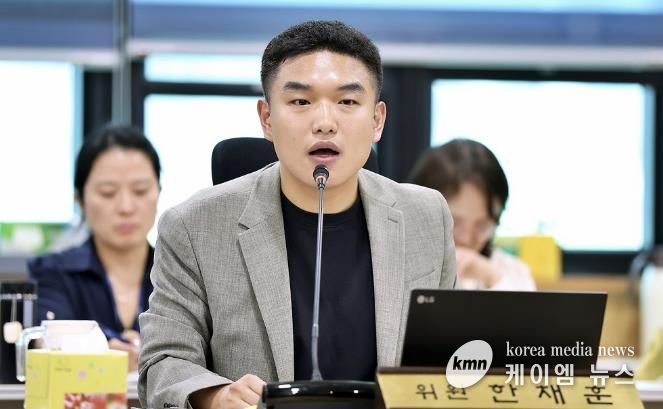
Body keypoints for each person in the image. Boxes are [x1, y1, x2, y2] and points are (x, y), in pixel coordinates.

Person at [138, 20, 456, 409]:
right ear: (267, 119)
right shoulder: (194, 227)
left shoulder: (427, 218)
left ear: (377, 120)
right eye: (301, 102)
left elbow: (447, 363)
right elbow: (162, 363)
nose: (324, 123)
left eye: (347, 102)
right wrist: (215, 396)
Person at [28, 124, 161, 371]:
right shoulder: (52, 272)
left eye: (140, 191)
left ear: (158, 192)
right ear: (80, 199)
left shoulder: (179, 274)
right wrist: (102, 346)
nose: (126, 207)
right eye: (108, 193)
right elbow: (47, 339)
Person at [410, 138, 536, 291]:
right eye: (454, 222)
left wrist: (491, 276)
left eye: (482, 226)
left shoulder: (512, 272)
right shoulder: (401, 263)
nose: (466, 238)